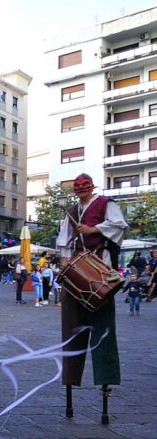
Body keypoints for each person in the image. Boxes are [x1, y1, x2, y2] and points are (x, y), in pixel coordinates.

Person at [57, 173, 128, 422]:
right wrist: (64, 261)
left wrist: (93, 228)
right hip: (76, 270)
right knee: (71, 331)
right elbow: (64, 240)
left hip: (99, 268)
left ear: (91, 187)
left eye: (84, 187)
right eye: (77, 188)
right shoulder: (72, 210)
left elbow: (120, 225)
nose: (81, 191)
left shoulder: (106, 203)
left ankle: (105, 383)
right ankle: (70, 382)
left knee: (104, 332)